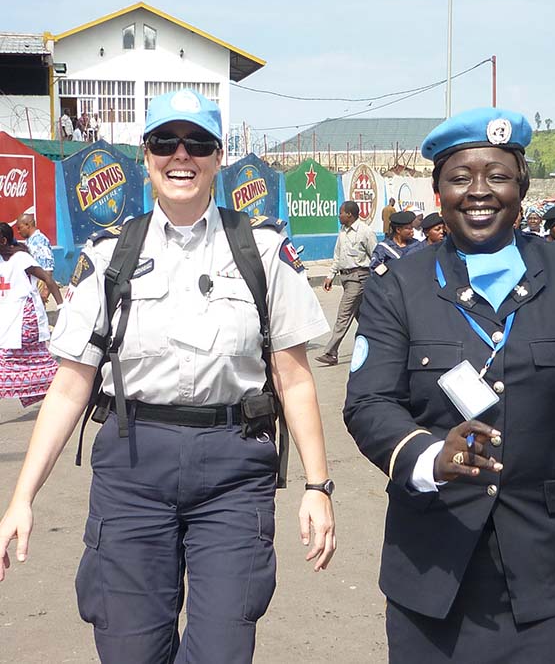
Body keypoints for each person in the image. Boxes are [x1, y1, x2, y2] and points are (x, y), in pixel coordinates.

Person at [0, 89, 337, 660]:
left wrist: (317, 486)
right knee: (129, 648)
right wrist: (21, 497)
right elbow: (70, 386)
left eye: (198, 143)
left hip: (233, 469)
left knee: (222, 649)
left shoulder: (260, 251)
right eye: (166, 142)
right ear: (145, 152)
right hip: (133, 470)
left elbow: (294, 378)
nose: (182, 156)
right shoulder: (109, 257)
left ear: (218, 155)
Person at [344, 108, 555, 662]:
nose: (479, 191)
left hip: (552, 568)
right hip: (431, 565)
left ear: (523, 187)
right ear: (438, 191)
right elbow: (370, 402)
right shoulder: (399, 287)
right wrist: (430, 455)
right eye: (461, 177)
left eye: (498, 175)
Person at [0, 222, 62, 407]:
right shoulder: (2, 261)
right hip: (9, 318)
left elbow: (48, 279)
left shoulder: (21, 259)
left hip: (25, 319)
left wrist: (62, 307)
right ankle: (62, 384)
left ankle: (65, 385)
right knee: (35, 359)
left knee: (5, 360)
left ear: (3, 240)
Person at [316, 200, 377, 366]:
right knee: (364, 318)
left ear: (349, 214)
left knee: (343, 315)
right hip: (345, 278)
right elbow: (338, 255)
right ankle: (380, 346)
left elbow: (376, 256)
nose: (339, 215)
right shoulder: (343, 232)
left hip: (359, 278)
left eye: (341, 212)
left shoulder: (365, 232)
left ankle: (331, 352)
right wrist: (330, 275)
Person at [15, 211, 55, 304]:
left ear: (27, 225)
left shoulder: (39, 242)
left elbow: (48, 267)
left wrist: (45, 291)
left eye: (20, 228)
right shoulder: (30, 241)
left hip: (37, 292)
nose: (18, 231)